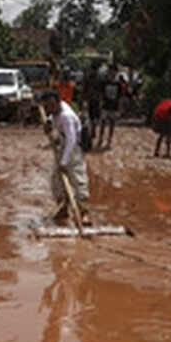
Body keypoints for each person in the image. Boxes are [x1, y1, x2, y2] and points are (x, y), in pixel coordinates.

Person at [41, 90, 91, 225]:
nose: (48, 109)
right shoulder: (55, 112)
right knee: (57, 180)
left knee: (78, 179)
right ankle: (63, 207)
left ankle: (84, 212)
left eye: (50, 106)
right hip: (62, 146)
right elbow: (51, 120)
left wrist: (64, 160)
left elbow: (72, 139)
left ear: (58, 103)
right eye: (46, 106)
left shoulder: (66, 116)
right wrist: (48, 125)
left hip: (73, 149)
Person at [98, 64, 127, 149]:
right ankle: (100, 139)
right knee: (103, 123)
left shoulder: (118, 84)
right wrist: (100, 103)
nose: (112, 73)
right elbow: (101, 94)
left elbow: (121, 96)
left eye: (114, 71)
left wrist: (120, 107)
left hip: (114, 106)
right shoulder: (104, 82)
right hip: (105, 105)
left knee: (112, 124)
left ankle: (109, 141)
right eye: (111, 71)